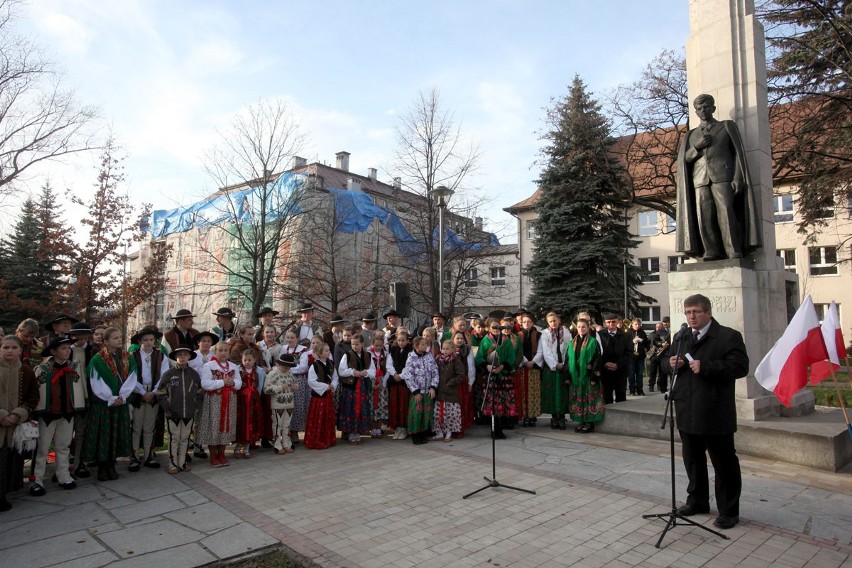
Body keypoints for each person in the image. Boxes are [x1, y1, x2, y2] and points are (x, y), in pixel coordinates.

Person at [667, 294, 748, 530]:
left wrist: (707, 366)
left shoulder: (728, 336)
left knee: (724, 464)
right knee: (693, 460)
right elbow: (666, 365)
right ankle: (698, 501)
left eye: (696, 312)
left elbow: (740, 367)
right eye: (688, 312)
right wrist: (670, 364)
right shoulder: (681, 337)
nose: (691, 316)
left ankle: (729, 511)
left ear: (708, 313)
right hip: (687, 409)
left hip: (715, 412)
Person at [675, 94, 761, 261]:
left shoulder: (727, 126)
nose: (703, 111)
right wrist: (697, 148)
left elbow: (738, 153)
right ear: (696, 112)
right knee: (704, 217)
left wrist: (738, 177)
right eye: (699, 109)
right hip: (700, 180)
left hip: (723, 176)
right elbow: (684, 159)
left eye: (706, 107)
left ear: (713, 108)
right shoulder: (691, 135)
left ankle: (733, 250)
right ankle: (712, 251)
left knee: (727, 212)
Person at [30, 338, 86, 495]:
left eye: (68, 348)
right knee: (42, 448)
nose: (68, 350)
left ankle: (64, 475)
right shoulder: (43, 368)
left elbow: (80, 388)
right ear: (53, 351)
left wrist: (80, 405)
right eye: (63, 348)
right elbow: (38, 390)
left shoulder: (74, 367)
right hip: (48, 414)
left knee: (64, 446)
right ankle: (37, 479)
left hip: (67, 413)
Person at [84, 327, 138, 482]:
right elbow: (95, 381)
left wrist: (123, 396)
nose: (119, 340)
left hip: (121, 402)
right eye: (115, 338)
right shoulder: (97, 359)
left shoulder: (127, 357)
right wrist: (110, 397)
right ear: (106, 341)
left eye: (120, 337)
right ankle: (102, 467)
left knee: (116, 433)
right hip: (104, 404)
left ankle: (112, 465)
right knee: (103, 434)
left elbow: (132, 376)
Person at [0, 336, 39, 512]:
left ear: (20, 350)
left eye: (13, 347)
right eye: (5, 347)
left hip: (15, 426)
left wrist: (17, 415)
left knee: (11, 459)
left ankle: (4, 494)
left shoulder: (26, 372)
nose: (9, 350)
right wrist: (2, 416)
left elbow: (33, 397)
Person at [128, 326, 170, 471]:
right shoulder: (132, 356)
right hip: (138, 393)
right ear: (139, 341)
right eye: (145, 340)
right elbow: (130, 376)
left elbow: (164, 375)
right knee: (136, 427)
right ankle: (134, 456)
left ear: (155, 341)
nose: (148, 342)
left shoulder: (161, 356)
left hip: (153, 393)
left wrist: (153, 392)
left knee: (149, 427)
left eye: (151, 339)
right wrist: (141, 392)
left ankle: (148, 455)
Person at [156, 347, 203, 474]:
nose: (182, 357)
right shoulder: (169, 374)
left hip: (188, 412)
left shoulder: (193, 374)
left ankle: (182, 462)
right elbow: (160, 392)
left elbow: (199, 392)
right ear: (175, 357)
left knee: (185, 437)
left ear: (189, 357)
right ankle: (172, 463)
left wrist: (195, 407)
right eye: (179, 355)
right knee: (175, 437)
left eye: (185, 355)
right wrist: (168, 408)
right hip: (173, 413)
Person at [198, 340, 242, 467]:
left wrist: (232, 383)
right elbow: (205, 384)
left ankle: (222, 454)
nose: (223, 353)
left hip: (229, 401)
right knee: (214, 426)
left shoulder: (233, 366)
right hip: (214, 401)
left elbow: (238, 383)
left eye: (225, 350)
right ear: (215, 352)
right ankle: (213, 455)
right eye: (220, 350)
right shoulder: (209, 365)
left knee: (226, 426)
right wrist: (223, 382)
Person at [68, 322, 95, 479]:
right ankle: (63, 467)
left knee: (80, 432)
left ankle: (79, 463)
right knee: (64, 436)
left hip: (85, 395)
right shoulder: (66, 350)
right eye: (79, 336)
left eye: (85, 336)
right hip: (67, 396)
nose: (82, 339)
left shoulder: (92, 351)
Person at [337, 333, 375, 444]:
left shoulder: (368, 355)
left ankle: (358, 431)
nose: (354, 346)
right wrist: (353, 372)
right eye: (353, 344)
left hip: (363, 387)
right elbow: (341, 371)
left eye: (357, 344)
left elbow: (373, 371)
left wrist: (365, 372)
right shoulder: (347, 355)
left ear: (362, 344)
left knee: (361, 408)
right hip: (351, 387)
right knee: (351, 409)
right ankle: (350, 433)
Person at [534, 313, 570, 430]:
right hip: (551, 368)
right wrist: (555, 364)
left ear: (559, 320)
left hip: (564, 366)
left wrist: (565, 364)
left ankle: (562, 417)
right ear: (547, 323)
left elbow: (569, 347)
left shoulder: (566, 332)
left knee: (563, 393)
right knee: (552, 393)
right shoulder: (545, 334)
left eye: (555, 320)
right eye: (550, 321)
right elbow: (545, 351)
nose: (553, 323)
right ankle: (554, 417)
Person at [567, 319, 603, 433]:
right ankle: (581, 421)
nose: (581, 329)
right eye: (579, 327)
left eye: (583, 327)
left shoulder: (593, 342)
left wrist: (594, 377)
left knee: (589, 400)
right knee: (579, 400)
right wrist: (567, 376)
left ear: (588, 328)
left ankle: (589, 423)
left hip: (588, 377)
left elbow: (597, 360)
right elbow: (568, 360)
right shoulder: (572, 342)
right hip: (576, 377)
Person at [401, 337, 439, 445]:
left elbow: (435, 371)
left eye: (425, 344)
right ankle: (415, 436)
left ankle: (424, 434)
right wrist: (415, 391)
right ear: (415, 346)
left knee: (426, 413)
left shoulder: (429, 356)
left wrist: (433, 387)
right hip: (417, 392)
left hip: (428, 391)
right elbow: (408, 376)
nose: (424, 346)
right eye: (422, 344)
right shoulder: (411, 358)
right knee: (416, 413)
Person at [304, 344, 338, 450]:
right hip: (318, 398)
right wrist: (324, 386)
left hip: (328, 396)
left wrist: (333, 384)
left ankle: (328, 439)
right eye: (326, 351)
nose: (328, 352)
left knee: (327, 417)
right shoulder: (314, 365)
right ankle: (317, 440)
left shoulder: (331, 363)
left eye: (329, 350)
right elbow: (311, 381)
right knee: (318, 418)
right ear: (319, 353)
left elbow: (335, 377)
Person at [263, 353, 298, 454]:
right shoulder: (272, 374)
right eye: (285, 366)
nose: (286, 368)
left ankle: (287, 444)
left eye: (288, 367)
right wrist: (280, 387)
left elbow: (294, 385)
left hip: (289, 404)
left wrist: (295, 388)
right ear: (279, 364)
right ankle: (277, 445)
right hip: (278, 405)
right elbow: (266, 389)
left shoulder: (290, 374)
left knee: (286, 425)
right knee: (277, 425)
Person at [433, 340, 466, 442]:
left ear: (452, 349)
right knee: (438, 414)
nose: (445, 351)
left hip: (450, 392)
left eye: (447, 349)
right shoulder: (439, 359)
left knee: (449, 414)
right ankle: (439, 433)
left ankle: (448, 433)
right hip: (440, 392)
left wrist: (451, 383)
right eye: (443, 348)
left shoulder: (455, 360)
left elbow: (461, 375)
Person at [234, 349, 264, 459]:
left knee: (251, 423)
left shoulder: (259, 371)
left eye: (250, 360)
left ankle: (247, 447)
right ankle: (238, 446)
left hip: (253, 402)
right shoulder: (238, 370)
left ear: (254, 360)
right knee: (241, 423)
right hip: (241, 401)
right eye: (245, 360)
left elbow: (260, 385)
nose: (247, 362)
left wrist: (257, 397)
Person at [598, 313, 630, 404]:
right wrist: (604, 363)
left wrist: (618, 364)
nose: (611, 324)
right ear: (605, 323)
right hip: (605, 370)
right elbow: (597, 352)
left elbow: (628, 353)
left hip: (620, 370)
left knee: (621, 395)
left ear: (618, 322)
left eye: (613, 322)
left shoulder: (625, 335)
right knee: (607, 396)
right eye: (608, 322)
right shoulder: (600, 335)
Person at [368, 331, 395, 438]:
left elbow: (388, 368)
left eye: (380, 345)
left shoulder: (386, 355)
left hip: (382, 383)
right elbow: (368, 368)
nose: (378, 347)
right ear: (372, 344)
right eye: (376, 345)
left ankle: (378, 428)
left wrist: (383, 381)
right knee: (372, 405)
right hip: (373, 381)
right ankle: (372, 428)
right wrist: (372, 381)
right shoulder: (369, 354)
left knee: (380, 406)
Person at [388, 328, 413, 440]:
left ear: (408, 341)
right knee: (395, 404)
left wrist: (401, 376)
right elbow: (389, 364)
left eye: (403, 340)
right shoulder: (393, 350)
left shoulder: (411, 351)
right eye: (399, 340)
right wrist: (394, 374)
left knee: (404, 404)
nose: (401, 343)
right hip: (394, 381)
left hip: (404, 383)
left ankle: (404, 428)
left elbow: (409, 366)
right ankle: (397, 427)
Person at [518, 313, 542, 427]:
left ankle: (532, 416)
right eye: (524, 322)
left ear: (532, 323)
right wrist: (525, 361)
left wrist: (533, 361)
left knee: (533, 392)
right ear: (521, 323)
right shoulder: (518, 335)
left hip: (534, 367)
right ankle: (525, 416)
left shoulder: (538, 335)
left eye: (529, 321)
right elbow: (518, 350)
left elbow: (541, 350)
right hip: (523, 367)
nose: (526, 324)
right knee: (523, 392)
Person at [626, 318, 649, 396]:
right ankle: (632, 390)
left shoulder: (642, 332)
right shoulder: (628, 333)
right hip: (631, 356)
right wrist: (632, 342)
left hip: (640, 356)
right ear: (632, 324)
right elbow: (625, 345)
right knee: (631, 373)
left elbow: (647, 344)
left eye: (639, 324)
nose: (637, 326)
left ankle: (640, 389)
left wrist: (642, 341)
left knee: (639, 374)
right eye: (635, 324)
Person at [647, 322, 670, 393]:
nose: (658, 328)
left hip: (662, 355)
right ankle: (651, 386)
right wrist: (660, 344)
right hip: (654, 355)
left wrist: (665, 345)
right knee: (652, 372)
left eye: (659, 327)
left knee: (662, 372)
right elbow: (651, 342)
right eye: (657, 327)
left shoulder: (666, 333)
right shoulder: (652, 334)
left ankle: (662, 387)